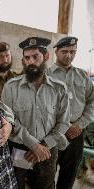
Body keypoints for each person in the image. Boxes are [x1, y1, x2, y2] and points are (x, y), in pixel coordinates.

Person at [1, 37, 70, 189]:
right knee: (15, 185)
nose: (30, 61)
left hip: (48, 151)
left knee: (45, 186)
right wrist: (33, 145)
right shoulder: (11, 87)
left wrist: (43, 146)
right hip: (19, 150)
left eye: (35, 56)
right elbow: (9, 120)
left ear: (46, 57)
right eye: (27, 58)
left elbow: (64, 122)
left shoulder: (59, 89)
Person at [46, 36, 94, 189]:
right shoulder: (45, 75)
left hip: (77, 133)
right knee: (47, 175)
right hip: (53, 133)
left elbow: (92, 102)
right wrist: (63, 127)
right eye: (64, 51)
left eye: (73, 52)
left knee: (69, 174)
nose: (69, 55)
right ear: (56, 52)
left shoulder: (83, 76)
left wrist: (79, 125)